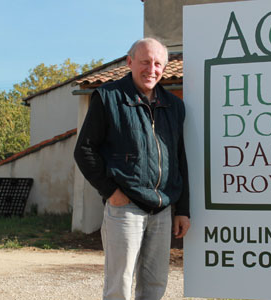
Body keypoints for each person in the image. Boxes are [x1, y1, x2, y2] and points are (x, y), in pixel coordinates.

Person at [74, 37, 190, 300]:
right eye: (145, 62)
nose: (152, 69)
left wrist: (182, 209)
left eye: (158, 63)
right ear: (129, 62)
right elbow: (84, 150)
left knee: (155, 284)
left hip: (162, 209)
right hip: (125, 206)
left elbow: (180, 159)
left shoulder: (174, 106)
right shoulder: (108, 98)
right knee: (120, 285)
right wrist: (111, 192)